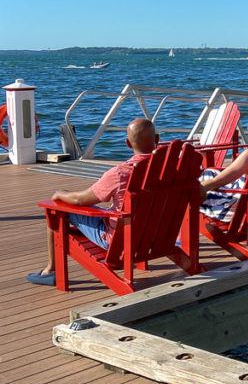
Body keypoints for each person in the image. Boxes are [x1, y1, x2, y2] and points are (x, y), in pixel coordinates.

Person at [28, 118, 158, 286]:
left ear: (127, 143)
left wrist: (60, 194)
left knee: (56, 209)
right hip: (154, 237)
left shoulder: (120, 173)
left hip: (119, 241)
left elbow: (79, 199)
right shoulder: (173, 168)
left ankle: (51, 270)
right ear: (157, 139)